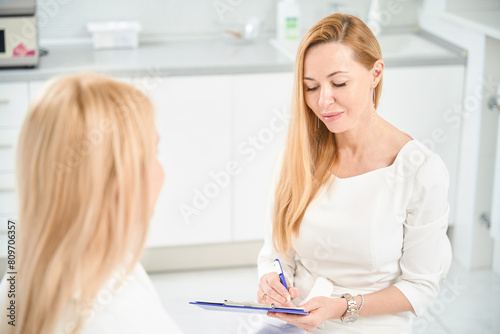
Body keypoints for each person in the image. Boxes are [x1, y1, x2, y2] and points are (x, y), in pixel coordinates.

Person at [254, 13, 452, 334]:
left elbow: (420, 286)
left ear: (375, 73)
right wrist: (271, 280)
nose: (323, 100)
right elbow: (276, 254)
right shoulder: (299, 156)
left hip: (371, 324)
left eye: (339, 83)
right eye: (311, 87)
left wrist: (343, 305)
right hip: (298, 320)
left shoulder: (419, 170)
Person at [0, 74, 183, 334]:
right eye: (154, 153)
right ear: (120, 181)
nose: (160, 170)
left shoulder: (17, 284)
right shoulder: (118, 317)